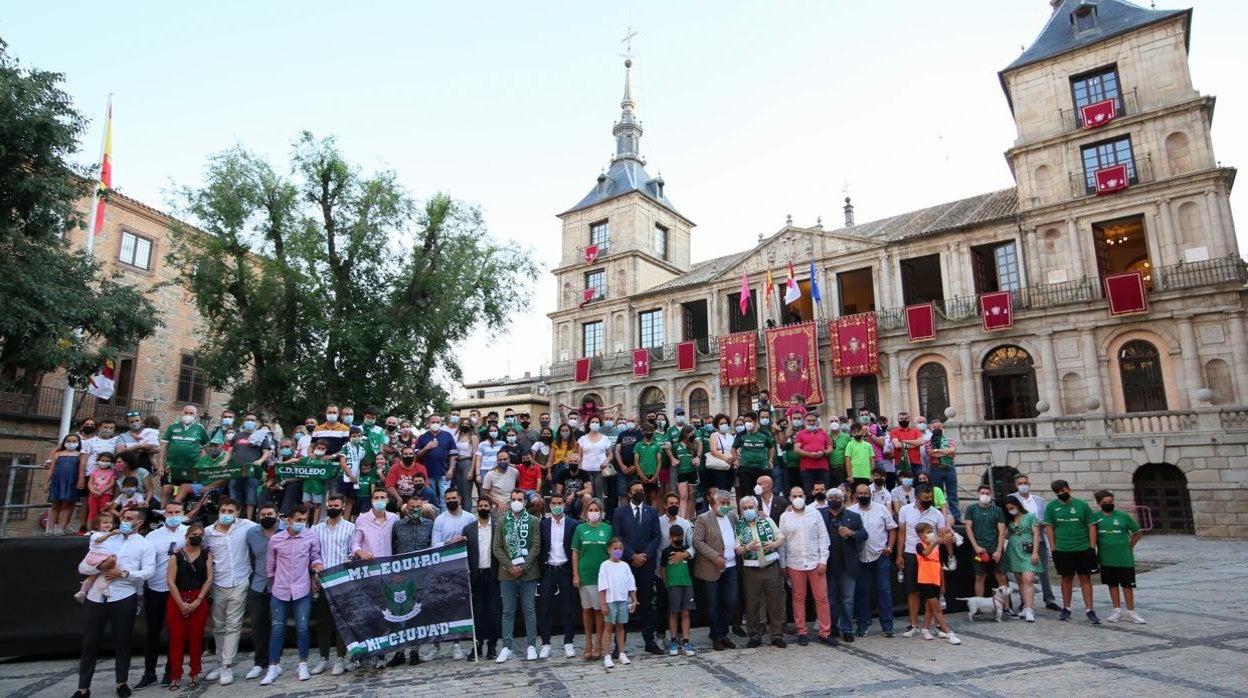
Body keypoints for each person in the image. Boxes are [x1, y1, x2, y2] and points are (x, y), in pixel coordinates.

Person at [75, 508, 155, 698]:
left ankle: (121, 682)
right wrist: (99, 566)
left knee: (123, 641)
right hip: (96, 597)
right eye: (124, 518)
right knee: (90, 642)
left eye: (129, 519)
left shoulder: (145, 545)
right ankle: (83, 687)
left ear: (139, 523)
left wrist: (124, 573)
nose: (124, 521)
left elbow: (148, 572)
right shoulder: (108, 539)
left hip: (123, 595)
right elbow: (83, 566)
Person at [260, 505, 325, 685]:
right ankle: (273, 665)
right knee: (277, 628)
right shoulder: (276, 539)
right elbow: (270, 567)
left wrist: (318, 566)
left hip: (302, 588)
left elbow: (315, 557)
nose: (300, 523)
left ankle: (303, 663)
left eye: (304, 520)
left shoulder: (311, 537)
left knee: (302, 627)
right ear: (289, 520)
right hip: (280, 590)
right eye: (298, 520)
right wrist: (274, 587)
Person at [203, 498, 259, 686]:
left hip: (240, 581)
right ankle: (220, 662)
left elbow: (267, 530)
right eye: (223, 510)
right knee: (219, 626)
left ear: (238, 512)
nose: (226, 513)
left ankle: (226, 665)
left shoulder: (247, 526)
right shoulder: (208, 533)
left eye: (230, 511)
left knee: (234, 625)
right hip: (218, 583)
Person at [135, 501, 188, 689]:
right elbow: (144, 564)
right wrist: (141, 591)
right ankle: (149, 673)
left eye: (177, 512)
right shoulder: (152, 536)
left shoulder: (188, 534)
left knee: (176, 633)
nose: (173, 515)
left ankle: (171, 671)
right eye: (170, 512)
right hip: (155, 588)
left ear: (183, 513)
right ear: (165, 514)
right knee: (152, 632)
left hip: (178, 590)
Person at [611, 481, 664, 655]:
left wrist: (644, 556)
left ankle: (649, 641)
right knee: (624, 603)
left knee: (647, 604)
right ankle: (619, 644)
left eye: (642, 490)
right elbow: (617, 536)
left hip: (646, 565)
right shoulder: (620, 512)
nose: (640, 492)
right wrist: (632, 555)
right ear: (629, 494)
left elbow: (656, 537)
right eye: (636, 490)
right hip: (626, 564)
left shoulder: (651, 511)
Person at [779, 486, 835, 646]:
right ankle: (802, 632)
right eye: (794, 495)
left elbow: (823, 538)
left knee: (822, 598)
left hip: (815, 563)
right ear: (789, 498)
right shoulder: (785, 517)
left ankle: (825, 632)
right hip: (794, 563)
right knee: (798, 598)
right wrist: (783, 564)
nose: (797, 498)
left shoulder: (815, 513)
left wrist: (823, 560)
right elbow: (782, 541)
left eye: (800, 495)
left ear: (805, 496)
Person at [493, 490, 541, 663]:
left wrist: (523, 566)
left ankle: (531, 645)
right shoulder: (501, 521)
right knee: (508, 611)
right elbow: (497, 547)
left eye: (520, 499)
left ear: (525, 502)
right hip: (507, 573)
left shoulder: (534, 521)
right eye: (513, 499)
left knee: (529, 609)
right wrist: (510, 565)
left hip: (528, 572)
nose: (516, 502)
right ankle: (506, 646)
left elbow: (536, 546)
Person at [166, 522, 214, 689]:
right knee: (177, 640)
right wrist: (181, 604)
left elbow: (209, 578)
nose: (196, 538)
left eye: (200, 535)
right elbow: (170, 582)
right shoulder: (176, 556)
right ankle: (175, 675)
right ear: (186, 537)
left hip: (198, 597)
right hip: (178, 598)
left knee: (196, 639)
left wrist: (199, 600)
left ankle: (195, 673)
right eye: (193, 535)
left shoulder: (206, 554)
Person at [1044, 479, 1100, 624]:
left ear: (1069, 489)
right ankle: (1066, 608)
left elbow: (1091, 525)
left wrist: (1092, 547)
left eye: (1063, 491)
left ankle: (1090, 610)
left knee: (1085, 579)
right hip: (1062, 549)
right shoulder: (1051, 507)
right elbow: (1049, 527)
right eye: (1058, 492)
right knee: (1066, 578)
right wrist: (1053, 548)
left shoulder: (1082, 505)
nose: (1061, 494)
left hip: (1083, 548)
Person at [736, 495, 787, 649]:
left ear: (756, 508)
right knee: (753, 604)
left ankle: (776, 634)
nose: (748, 510)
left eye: (751, 507)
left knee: (775, 602)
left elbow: (781, 538)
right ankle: (755, 634)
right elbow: (737, 549)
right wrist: (746, 548)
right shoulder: (739, 525)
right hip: (751, 570)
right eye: (744, 508)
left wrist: (772, 544)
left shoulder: (767, 520)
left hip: (771, 567)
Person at [311, 494, 355, 674]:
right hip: (323, 581)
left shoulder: (351, 527)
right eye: (330, 505)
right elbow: (314, 553)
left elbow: (352, 551)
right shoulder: (317, 528)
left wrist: (349, 560)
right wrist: (315, 568)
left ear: (343, 507)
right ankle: (323, 658)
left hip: (342, 581)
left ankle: (340, 658)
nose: (332, 507)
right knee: (324, 622)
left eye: (336, 505)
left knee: (342, 622)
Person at [847, 482, 897, 638]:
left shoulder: (881, 509)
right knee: (862, 593)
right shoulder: (849, 511)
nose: (863, 496)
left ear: (871, 494)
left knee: (884, 591)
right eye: (860, 494)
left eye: (866, 493)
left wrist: (890, 546)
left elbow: (892, 529)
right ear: (855, 495)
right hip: (861, 557)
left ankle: (887, 626)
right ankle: (862, 626)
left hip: (880, 556)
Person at [896, 485, 947, 637]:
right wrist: (899, 555)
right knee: (913, 591)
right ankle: (913, 625)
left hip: (931, 557)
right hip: (911, 553)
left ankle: (936, 625)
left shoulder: (937, 514)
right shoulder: (905, 510)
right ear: (917, 498)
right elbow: (901, 533)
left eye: (930, 497)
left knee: (933, 592)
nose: (929, 500)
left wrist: (941, 542)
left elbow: (942, 535)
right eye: (925, 498)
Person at [693, 490, 740, 651]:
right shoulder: (703, 518)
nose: (725, 506)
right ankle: (716, 635)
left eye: (728, 504)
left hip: (731, 565)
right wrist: (715, 557)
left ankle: (723, 631)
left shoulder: (733, 517)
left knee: (730, 600)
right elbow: (698, 542)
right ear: (714, 503)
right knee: (712, 603)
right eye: (722, 504)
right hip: (711, 566)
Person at [1093, 489, 1145, 624]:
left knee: (1127, 585)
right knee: (1112, 585)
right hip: (1106, 558)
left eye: (1110, 502)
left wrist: (1129, 547)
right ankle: (1117, 610)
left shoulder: (1123, 516)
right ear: (1099, 503)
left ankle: (1131, 612)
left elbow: (1137, 532)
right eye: (1105, 502)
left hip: (1124, 558)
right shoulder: (1095, 518)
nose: (1108, 504)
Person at [539, 493, 580, 659]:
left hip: (565, 569)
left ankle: (568, 642)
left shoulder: (573, 524)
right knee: (545, 608)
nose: (556, 505)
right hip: (548, 569)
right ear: (549, 505)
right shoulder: (543, 524)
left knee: (568, 608)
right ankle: (545, 643)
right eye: (553, 503)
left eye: (559, 503)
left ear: (564, 504)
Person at [822, 488, 866, 642]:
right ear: (827, 499)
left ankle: (847, 629)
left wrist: (852, 533)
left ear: (843, 499)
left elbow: (864, 535)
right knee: (831, 600)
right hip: (828, 565)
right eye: (831, 497)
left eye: (837, 497)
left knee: (847, 600)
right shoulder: (820, 515)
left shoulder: (853, 516)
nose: (834, 499)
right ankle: (832, 628)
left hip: (848, 566)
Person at [1012, 473, 1060, 611]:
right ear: (1016, 485)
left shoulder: (1038, 500)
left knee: (1044, 570)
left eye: (1025, 483)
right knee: (1022, 572)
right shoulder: (1012, 498)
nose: (1023, 485)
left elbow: (1046, 518)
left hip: (1039, 538)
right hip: (1021, 540)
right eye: (1020, 483)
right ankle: (1024, 600)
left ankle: (1049, 599)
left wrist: (1041, 523)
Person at [571, 498, 612, 660]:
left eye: (596, 510)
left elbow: (613, 552)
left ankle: (599, 644)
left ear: (601, 512)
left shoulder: (608, 528)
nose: (593, 513)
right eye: (591, 510)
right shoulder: (580, 529)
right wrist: (575, 574)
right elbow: (575, 552)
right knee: (587, 610)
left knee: (599, 610)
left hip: (602, 576)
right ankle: (588, 643)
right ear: (586, 512)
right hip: (585, 574)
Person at [244, 504, 281, 679]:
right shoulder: (251, 533)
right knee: (258, 627)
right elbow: (249, 557)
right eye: (263, 514)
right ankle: (259, 663)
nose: (266, 516)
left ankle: (275, 662)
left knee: (277, 626)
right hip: (258, 584)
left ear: (277, 515)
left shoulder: (285, 531)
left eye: (270, 514)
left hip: (279, 587)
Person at [913, 522, 961, 644]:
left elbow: (939, 566)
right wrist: (935, 542)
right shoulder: (919, 545)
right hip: (925, 580)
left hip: (935, 580)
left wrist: (942, 584)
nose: (930, 534)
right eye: (927, 532)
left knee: (929, 607)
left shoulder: (936, 549)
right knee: (937, 609)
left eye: (931, 531)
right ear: (921, 535)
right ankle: (949, 633)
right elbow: (925, 553)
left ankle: (924, 629)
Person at [465, 496, 500, 661]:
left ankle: (492, 645)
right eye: (481, 505)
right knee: (477, 614)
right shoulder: (469, 529)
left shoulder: (498, 526)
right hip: (476, 576)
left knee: (494, 612)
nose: (483, 508)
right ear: (476, 508)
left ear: (491, 507)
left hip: (493, 576)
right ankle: (477, 645)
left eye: (486, 505)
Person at [964, 484, 1009, 612]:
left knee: (1001, 577)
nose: (985, 495)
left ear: (991, 495)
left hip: (995, 549)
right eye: (983, 493)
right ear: (978, 494)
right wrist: (976, 546)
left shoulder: (998, 511)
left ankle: (1006, 607)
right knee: (979, 577)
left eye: (987, 493)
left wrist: (999, 550)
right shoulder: (971, 509)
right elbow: (968, 528)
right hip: (978, 550)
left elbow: (1002, 531)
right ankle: (978, 607)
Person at [598, 538, 639, 669]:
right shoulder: (605, 565)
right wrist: (603, 603)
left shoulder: (625, 566)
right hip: (610, 600)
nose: (618, 551)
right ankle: (607, 655)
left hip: (622, 600)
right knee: (608, 627)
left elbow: (630, 584)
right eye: (615, 549)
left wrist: (634, 599)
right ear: (609, 550)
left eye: (620, 549)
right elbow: (602, 586)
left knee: (621, 627)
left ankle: (621, 652)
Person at [1003, 495, 1043, 622]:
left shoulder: (1030, 516)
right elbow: (1007, 535)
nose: (1011, 510)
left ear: (1018, 505)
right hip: (1014, 550)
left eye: (1012, 507)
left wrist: (1035, 552)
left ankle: (1030, 609)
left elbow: (1036, 534)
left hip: (1028, 549)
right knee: (1020, 580)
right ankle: (1026, 606)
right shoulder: (1010, 520)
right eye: (1008, 508)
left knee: (1028, 579)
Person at [160, 405, 209, 506]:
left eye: (191, 413)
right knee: (166, 490)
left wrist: (201, 463)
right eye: (186, 413)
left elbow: (206, 446)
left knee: (186, 494)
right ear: (182, 413)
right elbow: (164, 445)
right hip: (171, 467)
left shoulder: (199, 428)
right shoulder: (173, 426)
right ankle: (162, 515)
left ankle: (180, 517)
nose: (188, 415)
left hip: (190, 469)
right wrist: (160, 465)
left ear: (195, 415)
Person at [226, 413, 272, 521]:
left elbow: (266, 452)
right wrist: (225, 460)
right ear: (244, 421)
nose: (249, 422)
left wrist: (260, 461)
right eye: (248, 419)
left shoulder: (261, 436)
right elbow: (230, 451)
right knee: (234, 493)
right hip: (236, 470)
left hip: (252, 471)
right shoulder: (237, 436)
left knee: (251, 495)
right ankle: (235, 519)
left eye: (252, 420)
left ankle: (249, 520)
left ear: (256, 423)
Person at [660, 524, 697, 657]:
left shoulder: (687, 551)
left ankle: (686, 642)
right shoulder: (666, 552)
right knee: (674, 613)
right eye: (676, 537)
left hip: (687, 584)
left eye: (680, 537)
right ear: (670, 538)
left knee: (686, 613)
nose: (678, 539)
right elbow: (663, 569)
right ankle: (673, 641)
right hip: (673, 586)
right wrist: (667, 584)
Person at [74, 513, 120, 604]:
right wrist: (110, 534)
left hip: (102, 557)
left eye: (110, 523)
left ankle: (82, 592)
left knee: (93, 576)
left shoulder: (108, 535)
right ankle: (105, 585)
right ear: (97, 525)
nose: (108, 524)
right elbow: (99, 540)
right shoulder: (96, 534)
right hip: (97, 557)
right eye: (105, 522)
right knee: (113, 566)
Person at [46, 433, 86, 536]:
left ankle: (61, 527)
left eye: (74, 441)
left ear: (78, 443)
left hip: (71, 482)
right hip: (57, 481)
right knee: (55, 504)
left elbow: (81, 470)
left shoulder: (80, 455)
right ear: (64, 443)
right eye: (68, 441)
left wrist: (80, 481)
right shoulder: (58, 454)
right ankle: (50, 528)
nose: (71, 443)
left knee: (67, 505)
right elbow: (51, 469)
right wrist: (46, 483)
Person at [414, 414, 457, 506]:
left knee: (445, 498)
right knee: (431, 498)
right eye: (433, 422)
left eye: (438, 422)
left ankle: (445, 519)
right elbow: (416, 456)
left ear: (441, 423)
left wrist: (451, 470)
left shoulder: (447, 435)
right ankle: (433, 519)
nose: (435, 424)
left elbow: (453, 454)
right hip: (428, 473)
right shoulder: (422, 437)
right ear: (428, 424)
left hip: (444, 473)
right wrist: (427, 448)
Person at [925, 420, 960, 522]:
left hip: (949, 469)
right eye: (934, 427)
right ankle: (939, 518)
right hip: (936, 469)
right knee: (937, 496)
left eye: (939, 427)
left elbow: (952, 452)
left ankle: (956, 517)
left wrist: (937, 451)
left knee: (952, 495)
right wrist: (944, 452)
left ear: (942, 428)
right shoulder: (928, 441)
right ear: (930, 429)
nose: (937, 429)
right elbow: (930, 453)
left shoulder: (949, 439)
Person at [793, 412, 833, 496]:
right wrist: (810, 455)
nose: (811, 423)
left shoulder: (823, 433)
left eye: (814, 420)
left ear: (817, 422)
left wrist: (823, 453)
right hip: (807, 468)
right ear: (804, 422)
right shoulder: (800, 434)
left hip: (823, 467)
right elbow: (796, 449)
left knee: (824, 491)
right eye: (809, 421)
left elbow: (830, 448)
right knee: (809, 492)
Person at [576, 415, 612, 499]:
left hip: (600, 470)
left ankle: (599, 511)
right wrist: (580, 470)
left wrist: (606, 461)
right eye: (593, 422)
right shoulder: (583, 439)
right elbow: (579, 456)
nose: (595, 424)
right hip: (586, 471)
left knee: (599, 494)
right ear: (589, 424)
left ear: (600, 424)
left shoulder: (605, 438)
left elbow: (610, 454)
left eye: (597, 422)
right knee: (588, 494)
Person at [704, 414, 736, 497]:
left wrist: (733, 458)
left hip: (730, 466)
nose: (723, 425)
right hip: (719, 468)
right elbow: (713, 450)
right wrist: (726, 458)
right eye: (721, 423)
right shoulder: (714, 435)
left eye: (725, 423)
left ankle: (726, 507)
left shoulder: (730, 436)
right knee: (720, 490)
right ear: (717, 425)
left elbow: (734, 449)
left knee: (728, 490)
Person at [453, 420, 479, 504]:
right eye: (463, 424)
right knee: (459, 492)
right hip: (457, 463)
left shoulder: (473, 437)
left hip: (467, 462)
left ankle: (468, 514)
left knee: (466, 493)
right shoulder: (457, 437)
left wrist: (471, 471)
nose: (465, 425)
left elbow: (475, 454)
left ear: (470, 426)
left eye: (467, 424)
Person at [844, 422, 874, 488]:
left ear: (862, 431)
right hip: (854, 476)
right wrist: (849, 475)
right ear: (851, 433)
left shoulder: (868, 445)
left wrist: (872, 474)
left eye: (858, 431)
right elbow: (847, 461)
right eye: (854, 432)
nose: (856, 433)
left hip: (867, 475)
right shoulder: (850, 444)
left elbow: (872, 460)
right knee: (854, 495)